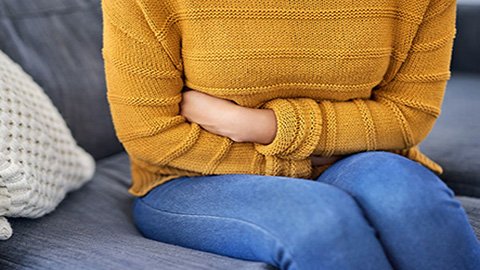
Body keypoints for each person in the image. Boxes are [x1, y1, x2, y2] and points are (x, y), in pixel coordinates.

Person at [101, 0, 480, 269]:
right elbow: (150, 133)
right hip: (191, 177)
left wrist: (258, 126)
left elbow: (408, 116)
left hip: (352, 161)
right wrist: (303, 162)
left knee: (411, 198)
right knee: (318, 219)